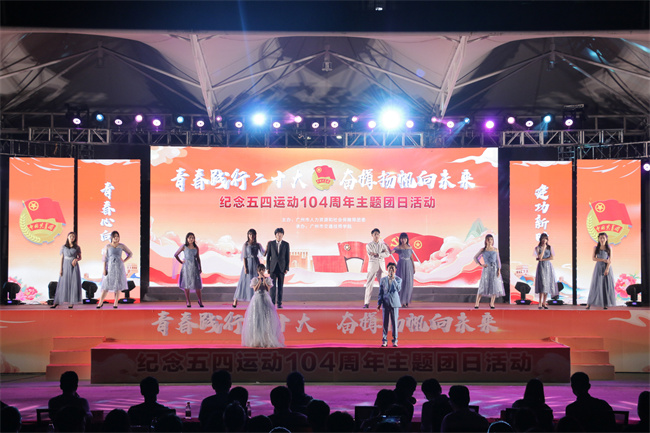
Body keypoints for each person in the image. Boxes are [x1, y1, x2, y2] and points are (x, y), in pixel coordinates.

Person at [241, 264, 285, 348]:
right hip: (257, 300)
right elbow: (255, 289)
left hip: (265, 299)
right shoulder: (254, 279)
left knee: (266, 319)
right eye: (260, 270)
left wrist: (264, 280)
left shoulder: (268, 279)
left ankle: (266, 339)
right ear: (258, 271)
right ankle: (256, 340)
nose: (262, 271)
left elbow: (267, 289)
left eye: (263, 270)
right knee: (256, 319)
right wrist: (259, 281)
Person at [97, 231, 132, 308]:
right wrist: (104, 269)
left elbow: (130, 253)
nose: (116, 238)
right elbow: (105, 258)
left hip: (119, 267)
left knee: (117, 285)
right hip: (110, 267)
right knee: (106, 285)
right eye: (115, 236)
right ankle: (100, 302)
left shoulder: (121, 246)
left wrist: (124, 260)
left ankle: (116, 302)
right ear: (111, 237)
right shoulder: (107, 246)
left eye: (117, 236)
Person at [233, 229, 266, 308]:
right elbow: (244, 257)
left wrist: (268, 246)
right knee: (243, 282)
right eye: (250, 234)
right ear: (248, 235)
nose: (251, 236)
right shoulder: (246, 245)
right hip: (248, 264)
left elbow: (263, 254)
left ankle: (255, 300)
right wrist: (245, 267)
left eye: (253, 234)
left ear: (255, 235)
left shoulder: (258, 245)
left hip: (256, 264)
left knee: (256, 282)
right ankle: (235, 300)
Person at [52, 232, 82, 309]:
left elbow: (80, 257)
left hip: (73, 266)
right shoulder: (64, 247)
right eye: (70, 236)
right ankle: (57, 302)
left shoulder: (77, 247)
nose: (72, 238)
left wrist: (76, 259)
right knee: (62, 283)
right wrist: (61, 269)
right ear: (68, 237)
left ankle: (71, 302)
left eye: (73, 237)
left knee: (73, 283)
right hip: (65, 265)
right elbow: (62, 258)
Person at [473, 234, 504, 309]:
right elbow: (475, 257)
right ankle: (477, 303)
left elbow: (498, 261)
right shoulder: (483, 250)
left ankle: (492, 303)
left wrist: (499, 270)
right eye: (488, 239)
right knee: (483, 286)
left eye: (491, 239)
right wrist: (481, 265)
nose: (490, 241)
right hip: (486, 270)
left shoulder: (495, 250)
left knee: (494, 286)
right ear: (486, 241)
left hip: (494, 269)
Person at [586, 232, 616, 310]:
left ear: (606, 239)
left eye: (603, 238)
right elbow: (593, 258)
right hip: (598, 267)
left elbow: (610, 260)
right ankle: (589, 303)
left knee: (605, 285)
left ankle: (605, 303)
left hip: (606, 267)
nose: (602, 239)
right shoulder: (596, 248)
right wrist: (603, 260)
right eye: (600, 238)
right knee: (596, 284)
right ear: (598, 239)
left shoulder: (609, 248)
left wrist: (607, 269)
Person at [174, 232, 203, 308]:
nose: (191, 239)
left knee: (197, 285)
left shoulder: (196, 247)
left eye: (192, 238)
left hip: (194, 267)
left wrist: (200, 267)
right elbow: (176, 254)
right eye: (190, 237)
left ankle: (200, 301)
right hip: (186, 267)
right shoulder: (184, 246)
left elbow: (198, 258)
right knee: (186, 284)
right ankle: (188, 301)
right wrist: (181, 261)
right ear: (187, 238)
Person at [365, 228, 390, 308]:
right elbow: (371, 255)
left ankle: (385, 302)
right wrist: (381, 254)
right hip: (373, 265)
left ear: (379, 235)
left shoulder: (382, 245)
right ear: (372, 235)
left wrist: (378, 254)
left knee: (383, 285)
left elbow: (387, 254)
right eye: (375, 234)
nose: (376, 236)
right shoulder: (369, 245)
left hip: (381, 266)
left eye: (378, 234)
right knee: (369, 284)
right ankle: (366, 303)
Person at [378, 262, 401, 347]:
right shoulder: (383, 280)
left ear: (395, 270)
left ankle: (395, 340)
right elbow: (380, 292)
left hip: (394, 304)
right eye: (389, 268)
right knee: (385, 323)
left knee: (394, 323)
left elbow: (398, 289)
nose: (391, 269)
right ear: (387, 269)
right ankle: (384, 340)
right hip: (385, 303)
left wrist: (393, 279)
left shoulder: (398, 279)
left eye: (392, 268)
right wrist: (379, 303)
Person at [266, 228, 290, 308]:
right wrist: (268, 267)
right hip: (273, 268)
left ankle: (279, 303)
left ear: (283, 235)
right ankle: (272, 303)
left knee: (280, 286)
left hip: (281, 268)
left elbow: (287, 257)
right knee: (272, 286)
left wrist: (286, 268)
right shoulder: (271, 244)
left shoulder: (286, 244)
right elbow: (268, 256)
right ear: (275, 235)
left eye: (281, 234)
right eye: (278, 234)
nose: (279, 235)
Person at [391, 233, 416, 307]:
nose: (403, 240)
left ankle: (406, 300)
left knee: (408, 283)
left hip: (409, 265)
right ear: (400, 239)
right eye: (402, 238)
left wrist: (413, 267)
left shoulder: (409, 247)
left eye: (405, 238)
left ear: (407, 239)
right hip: (401, 265)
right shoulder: (398, 247)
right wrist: (388, 248)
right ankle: (401, 301)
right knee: (401, 282)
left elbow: (411, 257)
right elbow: (391, 252)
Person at [534, 233, 558, 309]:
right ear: (540, 239)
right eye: (543, 239)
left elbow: (551, 257)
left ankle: (544, 302)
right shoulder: (537, 248)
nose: (544, 240)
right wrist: (543, 249)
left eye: (546, 239)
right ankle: (540, 302)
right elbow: (540, 257)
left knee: (547, 283)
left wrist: (544, 259)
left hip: (548, 267)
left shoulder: (550, 247)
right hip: (541, 267)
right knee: (542, 284)